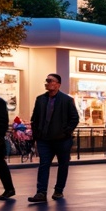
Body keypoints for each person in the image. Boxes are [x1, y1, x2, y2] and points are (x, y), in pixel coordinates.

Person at [28, 73, 80, 203]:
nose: (47, 82)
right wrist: (37, 135)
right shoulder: (40, 99)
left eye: (50, 80)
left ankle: (58, 190)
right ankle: (41, 192)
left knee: (63, 165)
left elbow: (74, 118)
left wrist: (66, 132)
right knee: (43, 165)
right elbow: (35, 118)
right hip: (44, 140)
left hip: (62, 140)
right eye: (46, 80)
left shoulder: (66, 100)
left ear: (58, 84)